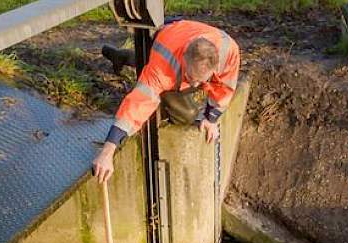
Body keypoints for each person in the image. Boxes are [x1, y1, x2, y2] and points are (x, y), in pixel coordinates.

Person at [91, 20, 241, 186]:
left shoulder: (229, 52)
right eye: (190, 78)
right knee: (186, 114)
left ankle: (123, 57)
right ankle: (128, 58)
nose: (195, 86)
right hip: (164, 41)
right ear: (184, 59)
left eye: (202, 80)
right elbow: (137, 104)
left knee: (184, 83)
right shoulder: (163, 67)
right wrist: (108, 150)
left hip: (181, 32)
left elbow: (225, 87)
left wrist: (210, 117)